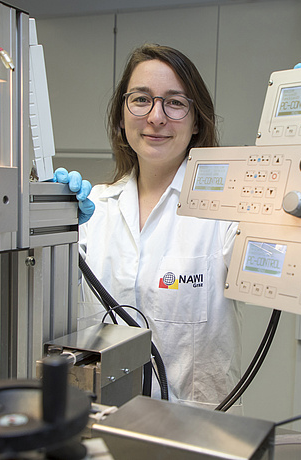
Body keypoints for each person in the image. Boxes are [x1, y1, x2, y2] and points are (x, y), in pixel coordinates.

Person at [58, 44, 241, 411]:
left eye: (174, 103)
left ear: (196, 121)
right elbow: (46, 306)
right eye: (141, 99)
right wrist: (47, 231)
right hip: (100, 422)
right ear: (121, 117)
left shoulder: (225, 211)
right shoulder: (93, 209)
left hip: (195, 432)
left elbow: (277, 267)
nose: (156, 117)